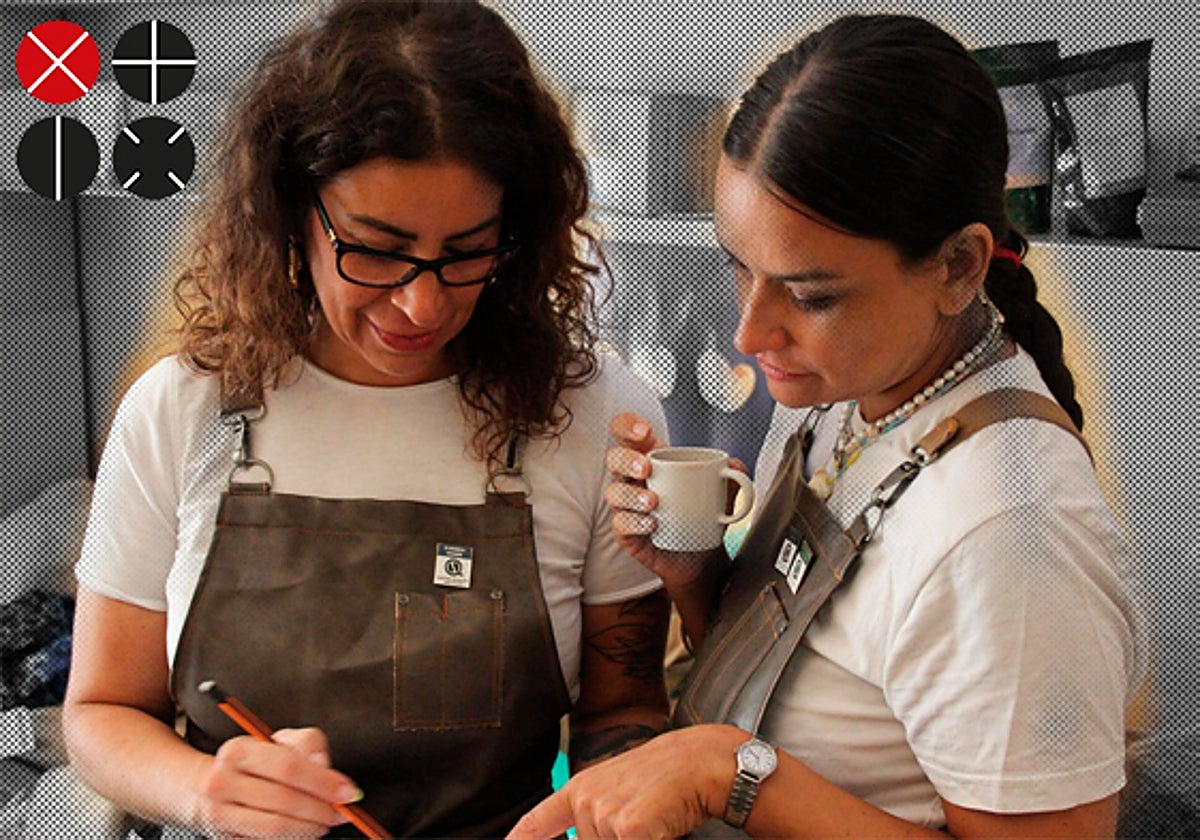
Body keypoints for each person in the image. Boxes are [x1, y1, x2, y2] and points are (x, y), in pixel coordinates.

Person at [509, 14, 1148, 840]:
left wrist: (730, 776)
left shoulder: (1011, 531)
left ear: (958, 266)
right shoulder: (847, 397)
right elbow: (808, 692)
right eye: (740, 267)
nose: (750, 333)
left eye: (811, 296)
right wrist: (696, 577)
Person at [63, 2, 671, 837]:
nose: (422, 303)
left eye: (467, 251)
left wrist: (618, 803)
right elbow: (99, 711)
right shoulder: (183, 409)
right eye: (377, 249)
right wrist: (205, 792)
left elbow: (625, 708)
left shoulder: (593, 415)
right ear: (292, 210)